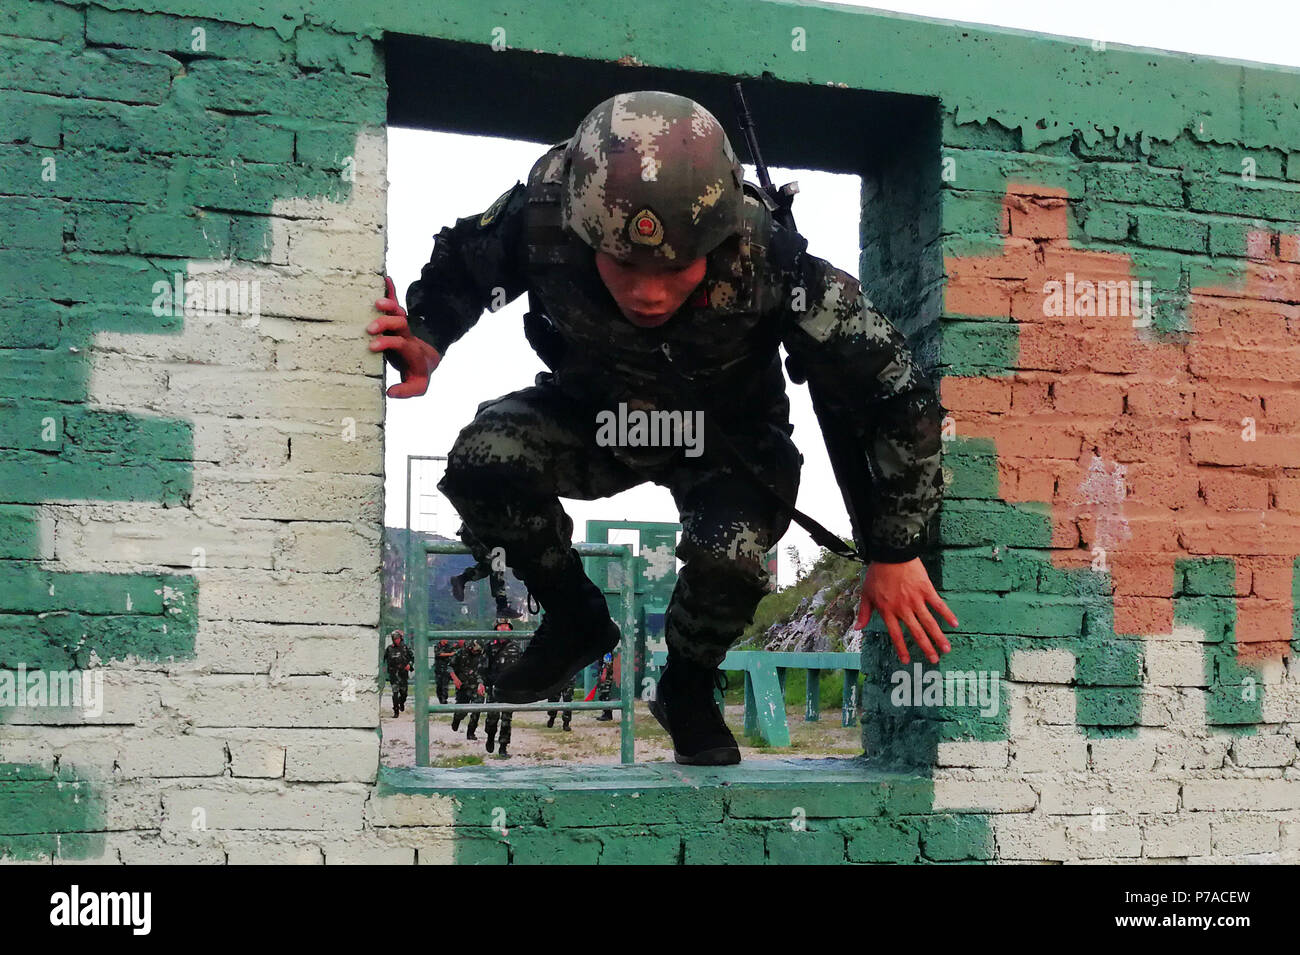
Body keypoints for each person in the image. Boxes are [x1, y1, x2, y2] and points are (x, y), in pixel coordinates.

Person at [368, 91, 958, 766]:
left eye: (677, 268)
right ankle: (575, 617)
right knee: (484, 458)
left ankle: (686, 685)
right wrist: (426, 337)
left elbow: (896, 389)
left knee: (732, 559)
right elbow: (467, 263)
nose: (649, 293)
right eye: (625, 265)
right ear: (585, 232)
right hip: (598, 420)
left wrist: (895, 547)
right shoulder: (546, 214)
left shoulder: (771, 258)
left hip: (725, 440)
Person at [448, 523, 522, 620]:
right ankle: (502, 605)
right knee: (497, 560)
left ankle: (462, 579)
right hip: (478, 536)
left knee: (491, 564)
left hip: (478, 534)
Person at [482, 619, 520, 757]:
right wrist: (483, 684)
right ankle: (490, 736)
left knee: (506, 719)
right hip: (494, 686)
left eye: (506, 626)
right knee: (492, 717)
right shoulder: (490, 647)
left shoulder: (516, 647)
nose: (504, 628)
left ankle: (503, 747)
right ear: (496, 629)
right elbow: (483, 667)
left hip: (510, 688)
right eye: (501, 626)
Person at [448, 640, 486, 740]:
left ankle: (471, 732)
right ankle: (457, 719)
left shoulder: (482, 655)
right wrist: (455, 679)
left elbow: (484, 670)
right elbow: (450, 667)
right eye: (475, 651)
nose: (476, 653)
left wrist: (481, 683)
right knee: (462, 710)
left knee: (477, 709)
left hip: (476, 685)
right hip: (463, 686)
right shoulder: (460, 653)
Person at [383, 630, 414, 718]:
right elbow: (383, 660)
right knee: (395, 693)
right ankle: (396, 711)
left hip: (403, 673)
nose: (396, 640)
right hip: (393, 674)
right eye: (394, 639)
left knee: (404, 693)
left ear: (400, 638)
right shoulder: (389, 649)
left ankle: (401, 702)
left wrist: (409, 665)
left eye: (397, 638)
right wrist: (384, 668)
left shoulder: (406, 647)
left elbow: (413, 658)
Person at [433, 637, 457, 705]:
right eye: (445, 639)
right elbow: (438, 654)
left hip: (446, 668)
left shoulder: (449, 646)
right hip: (438, 669)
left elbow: (454, 652)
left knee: (445, 686)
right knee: (439, 685)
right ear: (442, 640)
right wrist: (450, 654)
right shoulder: (437, 646)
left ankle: (444, 700)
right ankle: (440, 698)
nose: (447, 640)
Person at [594, 652, 615, 721]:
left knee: (605, 694)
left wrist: (604, 673)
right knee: (602, 694)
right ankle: (605, 713)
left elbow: (607, 662)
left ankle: (608, 714)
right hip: (603, 673)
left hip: (606, 675)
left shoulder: (607, 651)